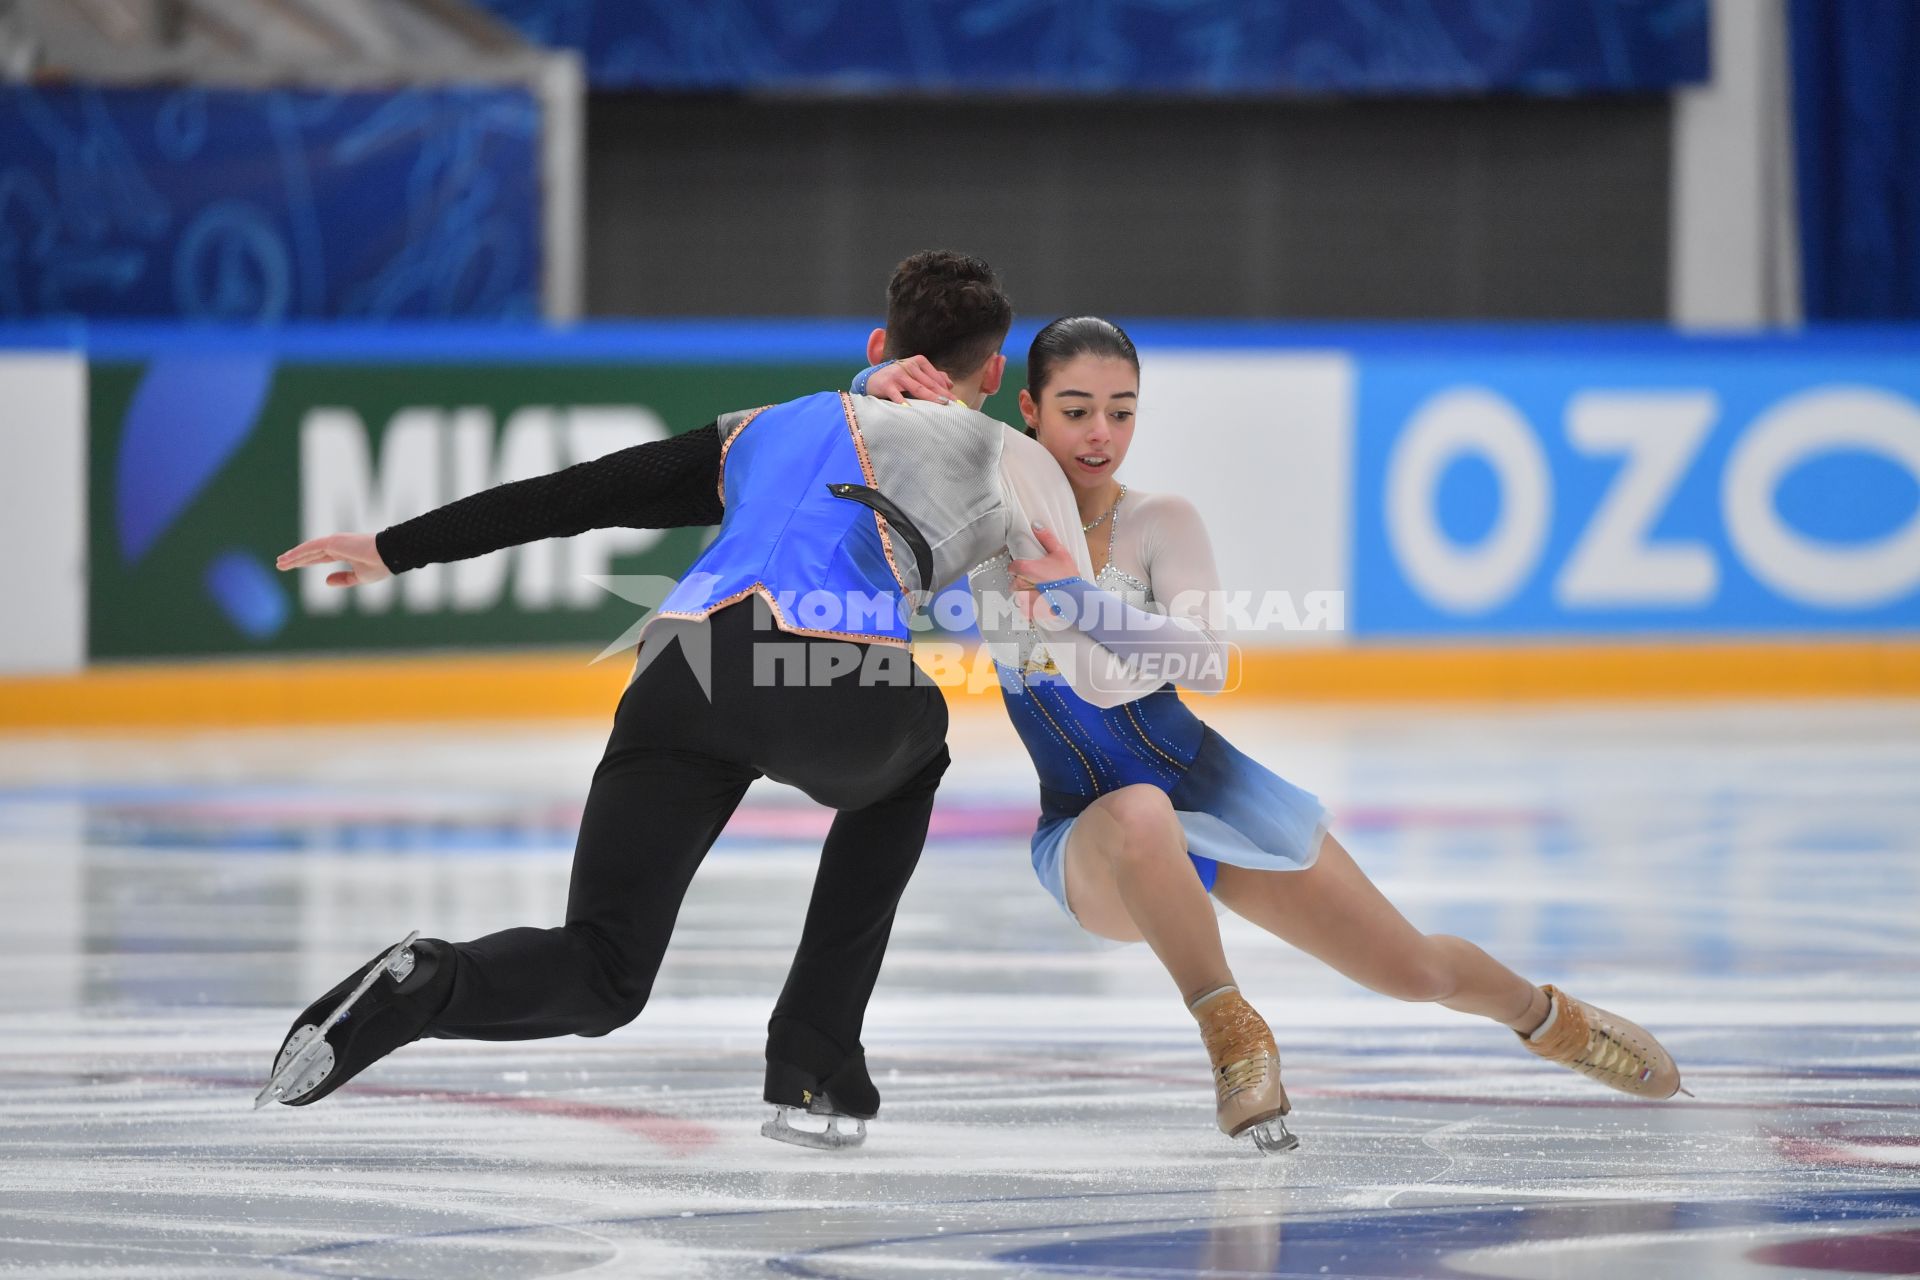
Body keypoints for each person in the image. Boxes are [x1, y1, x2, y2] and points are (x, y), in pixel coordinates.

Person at [261, 251, 1117, 1150]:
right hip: (821, 671)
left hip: (678, 663)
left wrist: (395, 547)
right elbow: (1071, 614)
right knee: (920, 748)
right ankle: (813, 1061)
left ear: (879, 344)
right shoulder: (1007, 455)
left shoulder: (766, 426)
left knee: (601, 973)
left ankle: (427, 981)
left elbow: (581, 492)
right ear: (993, 374)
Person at [859, 316, 1687, 1152]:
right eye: (1076, 411)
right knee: (1140, 811)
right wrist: (869, 388)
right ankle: (1235, 1038)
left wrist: (1077, 597)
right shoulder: (992, 516)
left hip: (1218, 791)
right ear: (1029, 410)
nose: (1101, 433)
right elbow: (879, 449)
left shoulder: (1159, 522)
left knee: (1414, 970)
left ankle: (1549, 1019)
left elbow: (1210, 664)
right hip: (1091, 828)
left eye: (1122, 410)